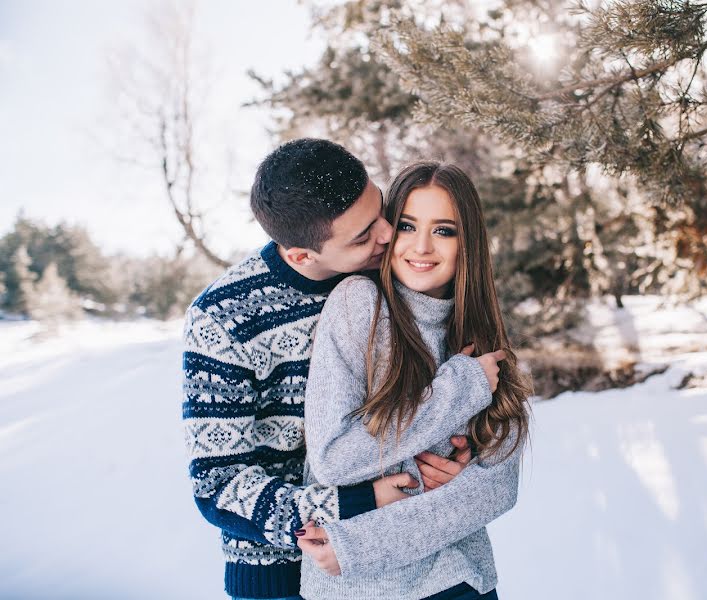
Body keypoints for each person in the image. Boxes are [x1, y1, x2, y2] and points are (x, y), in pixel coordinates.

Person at [182, 140, 502, 600]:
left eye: (380, 212)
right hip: (277, 572)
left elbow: (436, 390)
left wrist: (459, 454)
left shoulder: (388, 271)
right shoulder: (224, 317)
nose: (389, 235)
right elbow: (218, 484)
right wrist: (354, 502)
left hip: (394, 557)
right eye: (363, 235)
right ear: (301, 256)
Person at [299, 161, 531, 600]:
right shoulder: (359, 307)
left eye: (444, 230)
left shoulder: (479, 331)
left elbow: (498, 487)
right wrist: (458, 390)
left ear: (468, 243)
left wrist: (455, 480)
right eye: (408, 225)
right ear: (389, 231)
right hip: (363, 588)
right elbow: (333, 458)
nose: (422, 246)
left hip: (461, 580)